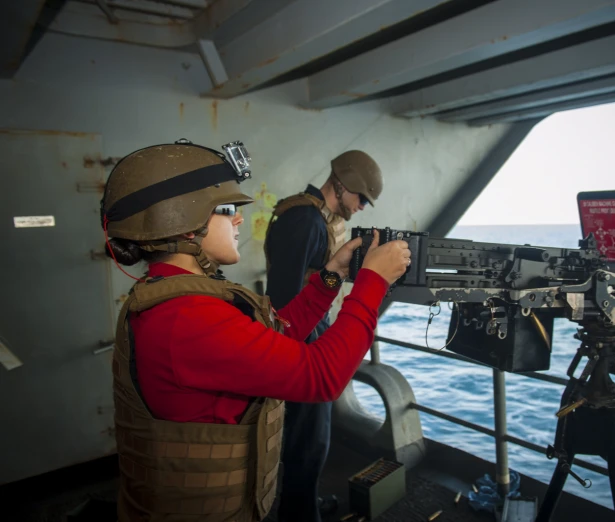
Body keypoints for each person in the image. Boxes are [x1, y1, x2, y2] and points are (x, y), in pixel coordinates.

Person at [100, 139, 410, 522]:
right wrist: (373, 283)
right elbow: (322, 376)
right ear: (182, 222)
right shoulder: (187, 316)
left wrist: (331, 277)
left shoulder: (172, 297)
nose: (239, 220)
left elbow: (275, 334)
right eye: (227, 209)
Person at [263, 150, 383, 522]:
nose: (362, 206)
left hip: (307, 334)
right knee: (308, 441)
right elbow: (286, 298)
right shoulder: (306, 222)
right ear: (342, 185)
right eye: (361, 198)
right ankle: (299, 516)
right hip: (302, 343)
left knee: (310, 437)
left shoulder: (307, 216)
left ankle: (303, 504)